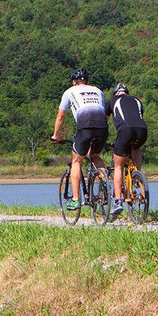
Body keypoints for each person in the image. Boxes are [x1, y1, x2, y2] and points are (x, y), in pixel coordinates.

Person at [51, 68, 108, 211]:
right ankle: (105, 185)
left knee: (77, 161)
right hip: (102, 128)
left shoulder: (69, 92)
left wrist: (56, 135)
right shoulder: (98, 90)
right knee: (95, 156)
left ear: (73, 81)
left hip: (85, 128)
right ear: (86, 81)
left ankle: (76, 199)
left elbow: (60, 116)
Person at [105, 83, 148, 220]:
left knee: (118, 165)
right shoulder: (136, 100)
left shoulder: (112, 101)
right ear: (127, 93)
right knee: (136, 148)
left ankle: (117, 201)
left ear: (115, 93)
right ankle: (137, 177)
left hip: (125, 130)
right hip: (142, 131)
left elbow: (104, 121)